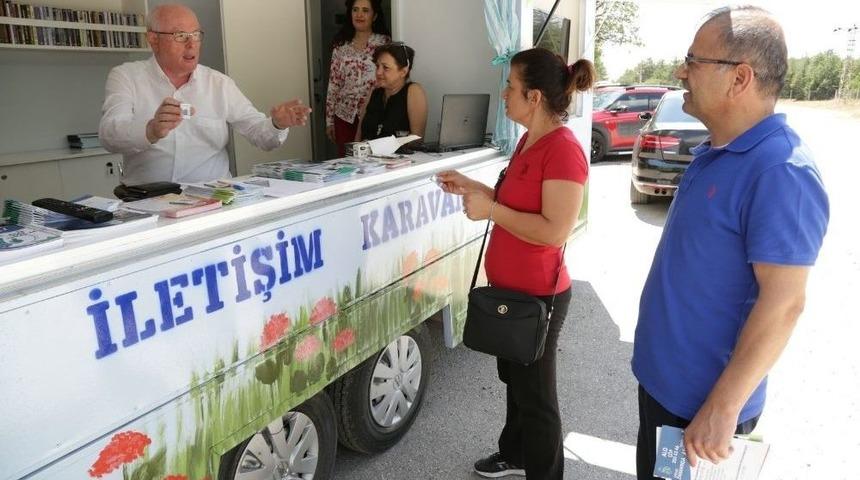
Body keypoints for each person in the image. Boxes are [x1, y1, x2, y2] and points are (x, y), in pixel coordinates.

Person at [632, 6, 829, 479]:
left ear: (739, 78)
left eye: (693, 60)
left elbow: (784, 304)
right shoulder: (717, 151)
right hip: (666, 392)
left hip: (702, 414)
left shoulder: (781, 171)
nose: (681, 70)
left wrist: (723, 409)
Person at [437, 48, 595, 479]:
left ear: (535, 96)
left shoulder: (563, 150)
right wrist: (473, 186)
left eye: (511, 86)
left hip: (539, 295)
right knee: (517, 384)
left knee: (538, 399)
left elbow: (553, 231)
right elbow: (515, 200)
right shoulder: (529, 139)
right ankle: (515, 454)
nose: (504, 94)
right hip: (511, 289)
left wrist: (489, 211)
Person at [99, 4, 312, 185]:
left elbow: (260, 134)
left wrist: (277, 124)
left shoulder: (218, 83)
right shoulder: (126, 76)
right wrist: (151, 130)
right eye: (180, 36)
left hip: (211, 200)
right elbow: (109, 135)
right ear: (153, 40)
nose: (191, 44)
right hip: (146, 203)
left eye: (196, 35)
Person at [325, 0, 390, 157]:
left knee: (374, 162)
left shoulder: (384, 43)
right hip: (344, 117)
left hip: (373, 114)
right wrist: (329, 122)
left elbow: (390, 79)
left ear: (374, 16)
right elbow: (334, 84)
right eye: (355, 10)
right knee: (346, 164)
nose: (359, 15)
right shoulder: (340, 46)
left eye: (365, 10)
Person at [357, 43, 427, 141]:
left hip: (401, 156)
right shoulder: (374, 93)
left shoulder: (413, 91)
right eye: (377, 66)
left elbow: (417, 139)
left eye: (385, 68)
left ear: (403, 71)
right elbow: (358, 136)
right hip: (365, 155)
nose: (378, 72)